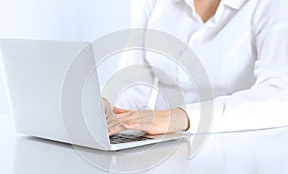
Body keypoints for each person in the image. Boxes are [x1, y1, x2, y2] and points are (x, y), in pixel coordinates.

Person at [104, 0, 288, 135]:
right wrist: (105, 106)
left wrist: (180, 117)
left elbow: (280, 98)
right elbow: (133, 86)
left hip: (241, 151)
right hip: (165, 152)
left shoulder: (273, 5)